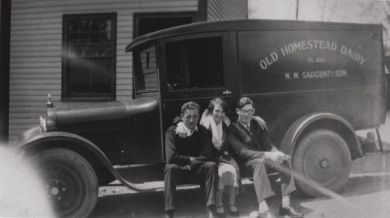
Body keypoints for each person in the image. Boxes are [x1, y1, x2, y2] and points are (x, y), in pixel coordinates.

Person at [227, 97, 303, 218]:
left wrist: (277, 153)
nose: (247, 114)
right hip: (245, 164)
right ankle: (264, 209)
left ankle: (285, 206)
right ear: (237, 111)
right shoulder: (232, 129)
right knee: (259, 162)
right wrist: (267, 154)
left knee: (284, 160)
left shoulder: (257, 124)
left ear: (253, 111)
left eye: (250, 111)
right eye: (244, 111)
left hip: (262, 159)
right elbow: (242, 152)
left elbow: (267, 144)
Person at [164, 101, 218, 218]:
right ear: (182, 116)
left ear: (199, 117)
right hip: (180, 169)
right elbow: (171, 157)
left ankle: (211, 208)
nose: (192, 120)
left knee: (211, 166)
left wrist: (191, 164)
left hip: (197, 169)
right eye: (188, 116)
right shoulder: (172, 132)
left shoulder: (203, 131)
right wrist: (189, 160)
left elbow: (207, 154)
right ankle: (169, 211)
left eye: (195, 116)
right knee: (170, 167)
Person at [200, 98, 240, 217]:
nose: (220, 114)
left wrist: (229, 124)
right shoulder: (205, 125)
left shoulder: (225, 124)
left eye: (223, 112)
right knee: (220, 173)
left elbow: (235, 134)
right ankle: (219, 204)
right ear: (211, 111)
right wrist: (218, 160)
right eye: (217, 111)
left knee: (232, 170)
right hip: (211, 158)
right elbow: (205, 149)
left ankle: (232, 203)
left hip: (224, 156)